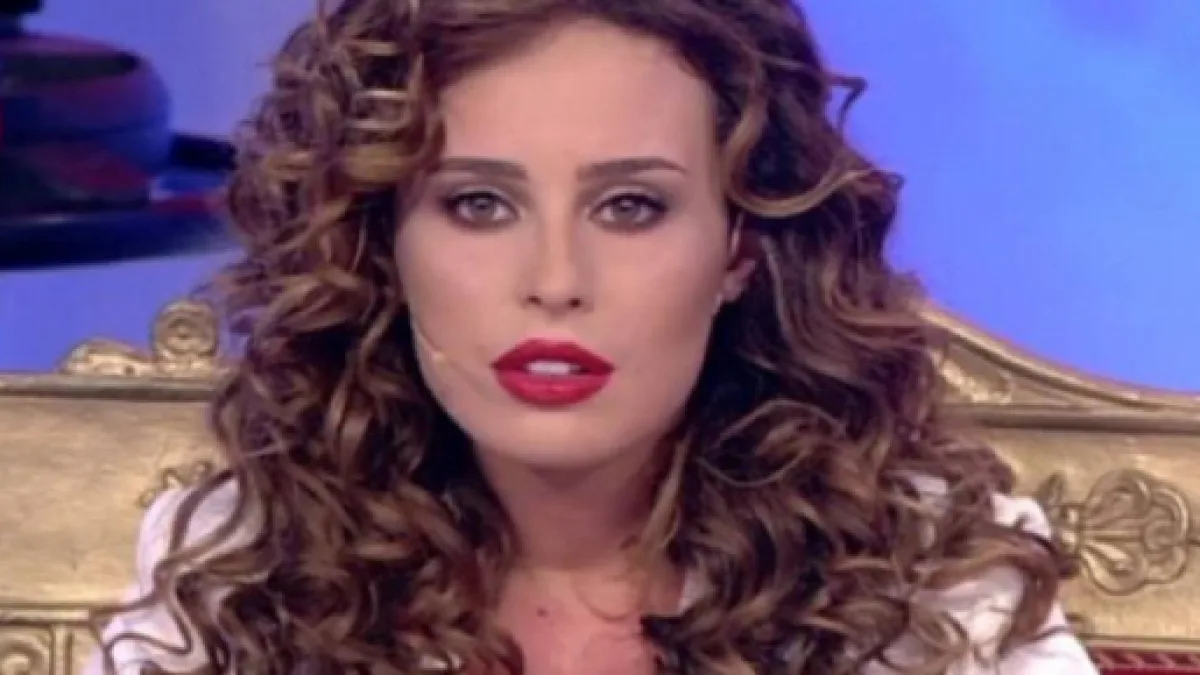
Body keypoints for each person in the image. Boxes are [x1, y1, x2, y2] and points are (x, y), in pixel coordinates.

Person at [87, 0, 1099, 673]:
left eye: (630, 207)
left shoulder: (933, 588)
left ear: (740, 247)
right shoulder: (241, 564)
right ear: (381, 244)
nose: (557, 282)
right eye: (479, 204)